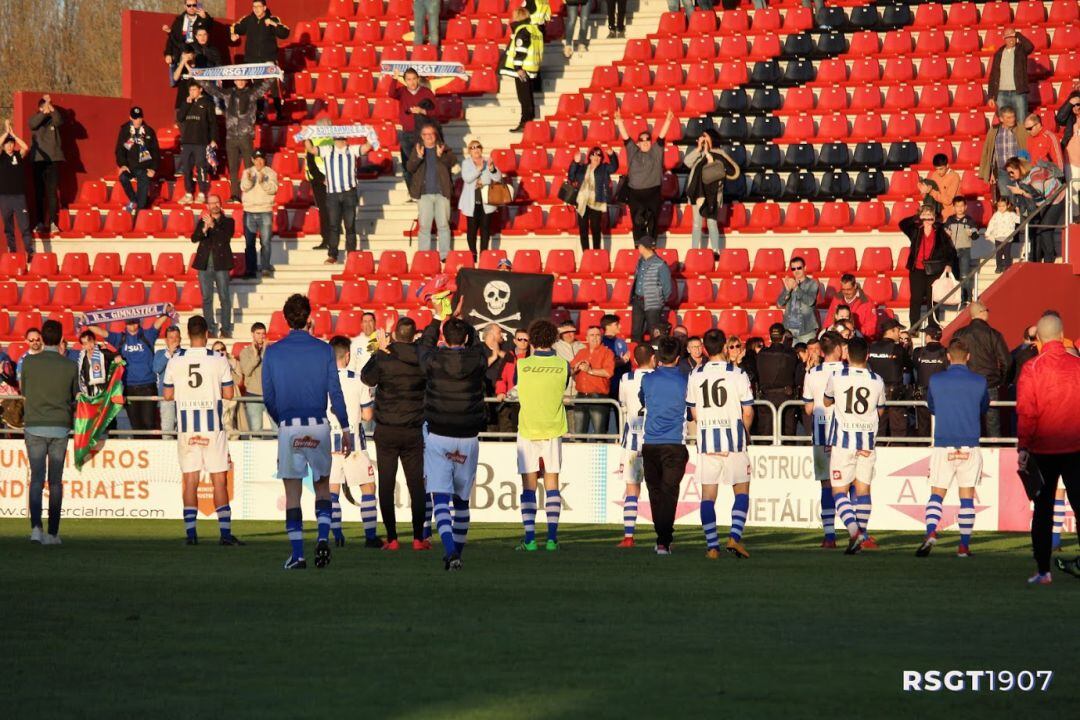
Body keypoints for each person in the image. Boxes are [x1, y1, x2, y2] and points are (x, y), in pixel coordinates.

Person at [263, 294, 351, 569]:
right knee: (323, 487)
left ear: (285, 318)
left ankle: (298, 554)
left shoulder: (274, 352)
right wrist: (346, 427)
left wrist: (283, 421)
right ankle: (323, 537)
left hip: (290, 426)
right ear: (309, 317)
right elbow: (335, 393)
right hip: (319, 425)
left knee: (293, 493)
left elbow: (269, 397)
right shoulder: (324, 350)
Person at [416, 304, 488, 571]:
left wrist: (438, 319)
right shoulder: (477, 359)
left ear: (444, 338)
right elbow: (478, 344)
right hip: (468, 436)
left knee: (441, 499)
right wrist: (462, 322)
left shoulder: (433, 360)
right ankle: (456, 552)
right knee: (462, 500)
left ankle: (450, 552)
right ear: (467, 338)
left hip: (439, 435)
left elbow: (424, 344)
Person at [162, 315, 242, 546]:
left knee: (190, 480)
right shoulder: (218, 359)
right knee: (219, 479)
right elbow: (228, 394)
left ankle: (191, 534)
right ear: (207, 334)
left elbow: (167, 395)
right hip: (212, 427)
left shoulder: (176, 360)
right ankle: (225, 534)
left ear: (188, 335)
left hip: (187, 428)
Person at [1016, 313, 1080, 585]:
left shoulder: (1032, 368)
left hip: (1043, 448)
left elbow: (1027, 413)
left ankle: (1043, 570)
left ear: (1039, 338)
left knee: (1043, 511)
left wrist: (1024, 446)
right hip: (1076, 447)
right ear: (1062, 334)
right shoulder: (1078, 366)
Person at [914, 338, 989, 558]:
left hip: (943, 442)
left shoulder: (936, 380)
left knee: (937, 493)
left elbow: (932, 407)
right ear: (968, 357)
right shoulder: (979, 381)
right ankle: (964, 546)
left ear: (948, 356)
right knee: (967, 497)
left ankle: (931, 532)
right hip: (970, 443)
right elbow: (983, 407)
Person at [363, 318, 430, 550]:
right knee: (416, 486)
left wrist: (379, 352)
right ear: (413, 336)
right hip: (412, 430)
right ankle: (418, 538)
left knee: (386, 485)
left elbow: (366, 377)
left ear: (394, 334)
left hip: (387, 430)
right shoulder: (422, 358)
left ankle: (392, 539)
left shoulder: (385, 355)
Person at [687, 329, 755, 559]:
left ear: (705, 348)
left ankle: (712, 547)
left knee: (708, 495)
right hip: (734, 441)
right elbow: (748, 411)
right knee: (742, 491)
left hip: (707, 442)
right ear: (725, 346)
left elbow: (694, 412)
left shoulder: (695, 374)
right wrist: (744, 434)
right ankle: (734, 538)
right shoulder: (737, 373)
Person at [823, 337, 886, 555]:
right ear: (867, 356)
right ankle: (863, 534)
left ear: (847, 356)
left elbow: (826, 401)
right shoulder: (877, 380)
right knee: (863, 490)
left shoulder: (837, 376)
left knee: (839, 491)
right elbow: (880, 410)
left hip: (843, 442)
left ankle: (854, 532)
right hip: (867, 442)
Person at [513, 320, 570, 552]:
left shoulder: (522, 366)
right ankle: (552, 539)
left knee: (528, 485)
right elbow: (563, 386)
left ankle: (530, 539)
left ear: (533, 340)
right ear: (554, 338)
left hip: (528, 429)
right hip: (553, 428)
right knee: (552, 483)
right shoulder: (563, 365)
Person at [21, 320, 78, 545]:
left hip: (34, 425)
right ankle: (53, 533)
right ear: (61, 337)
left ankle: (36, 528)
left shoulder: (29, 363)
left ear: (42, 338)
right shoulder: (69, 366)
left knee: (36, 480)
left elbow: (24, 390)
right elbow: (73, 395)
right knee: (55, 482)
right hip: (60, 426)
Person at [326, 336, 378, 548]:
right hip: (354, 444)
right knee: (368, 487)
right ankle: (370, 536)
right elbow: (367, 415)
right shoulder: (358, 379)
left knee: (332, 491)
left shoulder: (321, 380)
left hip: (329, 443)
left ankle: (337, 534)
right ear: (347, 356)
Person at [639, 337, 689, 555]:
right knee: (669, 493)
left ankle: (661, 537)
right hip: (674, 443)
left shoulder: (648, 380)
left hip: (650, 443)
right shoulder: (684, 379)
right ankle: (663, 539)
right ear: (678, 359)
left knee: (655, 492)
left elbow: (643, 400)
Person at [86, 309, 173, 434]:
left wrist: (166, 311)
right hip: (129, 387)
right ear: (125, 324)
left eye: (134, 322)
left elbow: (157, 323)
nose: (132, 325)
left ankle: (149, 451)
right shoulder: (119, 338)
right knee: (136, 426)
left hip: (148, 386)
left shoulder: (147, 335)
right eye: (129, 323)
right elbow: (102, 332)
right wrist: (88, 321)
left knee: (148, 425)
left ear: (139, 322)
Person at [801, 331, 847, 548]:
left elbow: (809, 409)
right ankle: (858, 531)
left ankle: (829, 536)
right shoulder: (849, 371)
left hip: (821, 432)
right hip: (846, 431)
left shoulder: (811, 373)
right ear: (838, 349)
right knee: (851, 482)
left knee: (826, 484)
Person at [197, 77, 273, 199]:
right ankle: (235, 195)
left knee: (249, 167)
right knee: (233, 168)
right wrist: (199, 78)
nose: (240, 82)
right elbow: (212, 90)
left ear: (246, 81)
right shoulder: (228, 93)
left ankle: (250, 193)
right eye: (238, 80)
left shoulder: (251, 93)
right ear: (234, 81)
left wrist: (273, 75)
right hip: (231, 137)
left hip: (246, 136)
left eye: (243, 80)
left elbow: (264, 87)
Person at [953, 301, 1011, 438]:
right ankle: (993, 454)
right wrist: (1002, 381)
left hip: (966, 384)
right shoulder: (993, 334)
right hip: (989, 385)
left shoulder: (959, 334)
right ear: (981, 312)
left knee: (968, 423)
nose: (988, 313)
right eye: (987, 310)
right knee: (993, 425)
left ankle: (968, 454)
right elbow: (1007, 362)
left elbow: (951, 358)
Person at [310, 136, 371, 264]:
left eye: (342, 138)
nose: (340, 141)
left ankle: (351, 254)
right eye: (337, 138)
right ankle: (333, 254)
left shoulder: (352, 149)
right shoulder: (327, 150)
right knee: (334, 225)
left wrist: (370, 134)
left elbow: (366, 147)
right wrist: (306, 136)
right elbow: (311, 149)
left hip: (349, 192)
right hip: (333, 193)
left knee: (350, 225)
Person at [615, 344, 654, 548]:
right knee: (658, 490)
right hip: (655, 439)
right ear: (653, 358)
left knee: (631, 489)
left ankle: (629, 536)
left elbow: (622, 404)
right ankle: (662, 538)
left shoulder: (626, 379)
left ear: (635, 360)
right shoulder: (658, 378)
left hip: (632, 440)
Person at [615, 109, 674, 241]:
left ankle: (652, 250)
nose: (645, 141)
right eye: (642, 140)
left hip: (653, 192)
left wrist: (668, 121)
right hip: (635, 194)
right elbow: (625, 137)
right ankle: (638, 249)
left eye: (647, 139)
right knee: (637, 222)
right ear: (639, 143)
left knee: (652, 222)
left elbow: (661, 137)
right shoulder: (633, 151)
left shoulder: (656, 152)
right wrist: (619, 121)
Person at [898, 206, 958, 329]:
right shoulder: (915, 229)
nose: (927, 218)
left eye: (930, 215)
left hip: (934, 270)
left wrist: (949, 264)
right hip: (917, 269)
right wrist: (917, 218)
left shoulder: (940, 230)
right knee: (916, 298)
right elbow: (902, 224)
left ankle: (933, 326)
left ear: (934, 217)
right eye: (925, 215)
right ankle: (914, 326)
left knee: (932, 299)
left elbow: (950, 250)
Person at [229, 1, 290, 116]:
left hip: (269, 60)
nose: (256, 9)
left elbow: (285, 33)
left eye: (259, 6)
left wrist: (272, 23)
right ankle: (260, 112)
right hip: (253, 61)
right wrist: (233, 34)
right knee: (257, 88)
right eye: (254, 7)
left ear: (265, 7)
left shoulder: (273, 19)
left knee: (273, 87)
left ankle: (279, 112)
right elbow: (236, 27)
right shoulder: (248, 20)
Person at [684, 130, 741, 251]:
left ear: (712, 138)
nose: (703, 138)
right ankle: (694, 250)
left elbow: (730, 171)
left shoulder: (719, 154)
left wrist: (710, 157)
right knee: (696, 224)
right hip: (697, 194)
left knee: (711, 223)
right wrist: (699, 149)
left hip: (712, 195)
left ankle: (716, 251)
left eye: (705, 136)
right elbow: (687, 162)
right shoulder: (699, 155)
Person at [405, 126, 456, 259]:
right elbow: (410, 167)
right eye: (425, 134)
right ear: (421, 136)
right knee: (424, 227)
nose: (428, 136)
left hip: (442, 193)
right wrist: (418, 156)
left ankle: (445, 256)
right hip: (424, 194)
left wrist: (440, 156)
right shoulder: (417, 149)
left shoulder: (444, 148)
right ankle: (424, 256)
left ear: (435, 135)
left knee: (444, 226)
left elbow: (452, 162)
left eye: (431, 134)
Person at [1004, 156, 1065, 263]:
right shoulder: (1022, 180)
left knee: (1045, 230)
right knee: (1036, 229)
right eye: (1008, 173)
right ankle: (1036, 258)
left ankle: (1049, 260)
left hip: (1056, 199)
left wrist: (1021, 192)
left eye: (1011, 172)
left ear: (1019, 168)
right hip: (1045, 202)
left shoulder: (1035, 173)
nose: (1010, 176)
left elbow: (1038, 196)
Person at [191, 194, 236, 337]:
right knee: (206, 298)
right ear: (207, 206)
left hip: (221, 264)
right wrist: (204, 229)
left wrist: (213, 225)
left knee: (224, 297)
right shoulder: (202, 221)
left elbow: (225, 237)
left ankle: (226, 329)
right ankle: (209, 329)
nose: (214, 205)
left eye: (216, 202)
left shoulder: (228, 221)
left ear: (220, 204)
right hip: (204, 265)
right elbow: (194, 238)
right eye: (211, 203)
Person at [388, 68, 438, 190]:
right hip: (406, 133)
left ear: (418, 79)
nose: (412, 82)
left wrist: (422, 111)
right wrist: (394, 79)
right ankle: (413, 192)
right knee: (407, 165)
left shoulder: (426, 92)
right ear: (405, 81)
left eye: (414, 79)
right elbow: (391, 94)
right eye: (409, 79)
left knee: (423, 163)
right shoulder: (402, 91)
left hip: (423, 134)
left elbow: (436, 111)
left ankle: (426, 188)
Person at [753, 324, 801, 441]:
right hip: (786, 397)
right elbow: (796, 377)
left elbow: (757, 375)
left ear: (770, 336)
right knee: (787, 436)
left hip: (766, 397)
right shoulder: (790, 354)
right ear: (783, 336)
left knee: (765, 436)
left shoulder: (761, 354)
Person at [567, 146, 618, 251]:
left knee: (595, 228)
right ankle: (585, 253)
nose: (597, 157)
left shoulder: (604, 168)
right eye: (594, 154)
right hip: (582, 202)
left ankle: (596, 252)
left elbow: (614, 167)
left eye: (599, 155)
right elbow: (571, 176)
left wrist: (612, 155)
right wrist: (575, 163)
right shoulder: (582, 168)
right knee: (583, 229)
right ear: (590, 156)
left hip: (596, 202)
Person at [458, 138, 502, 261]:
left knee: (485, 229)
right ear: (469, 152)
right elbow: (467, 178)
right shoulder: (466, 163)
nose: (476, 149)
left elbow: (498, 177)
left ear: (481, 149)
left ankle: (484, 254)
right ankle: (473, 254)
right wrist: (478, 169)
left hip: (486, 201)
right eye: (473, 147)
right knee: (472, 229)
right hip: (472, 201)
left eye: (477, 147)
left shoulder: (488, 161)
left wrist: (492, 168)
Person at [502, 7, 544, 133]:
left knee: (524, 97)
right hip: (532, 67)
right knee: (528, 96)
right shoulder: (535, 30)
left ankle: (525, 122)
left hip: (523, 69)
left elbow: (521, 50)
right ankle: (528, 121)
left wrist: (518, 68)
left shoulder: (523, 30)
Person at [867, 317, 910, 441]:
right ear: (891, 331)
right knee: (898, 430)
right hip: (895, 392)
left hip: (875, 391)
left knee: (878, 428)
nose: (899, 334)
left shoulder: (871, 347)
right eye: (897, 331)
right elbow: (909, 365)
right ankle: (899, 457)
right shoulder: (898, 349)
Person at [176, 82, 218, 204]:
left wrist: (213, 139)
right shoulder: (187, 103)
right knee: (187, 169)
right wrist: (186, 104)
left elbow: (213, 122)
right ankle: (188, 193)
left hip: (201, 142)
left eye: (194, 89)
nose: (192, 92)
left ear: (200, 90)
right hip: (187, 142)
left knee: (201, 168)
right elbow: (180, 118)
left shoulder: (207, 104)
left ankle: (201, 193)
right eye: (190, 90)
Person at [113, 107, 160, 214]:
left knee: (141, 207)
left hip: (144, 167)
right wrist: (123, 165)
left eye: (139, 118)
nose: (137, 120)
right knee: (123, 177)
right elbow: (120, 150)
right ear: (130, 118)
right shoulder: (125, 130)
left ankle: (137, 206)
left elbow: (155, 152)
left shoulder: (149, 131)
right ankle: (133, 200)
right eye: (135, 118)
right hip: (130, 166)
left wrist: (153, 168)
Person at [28, 95, 64, 235]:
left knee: (52, 193)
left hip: (53, 160)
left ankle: (53, 223)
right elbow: (33, 124)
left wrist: (51, 107)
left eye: (50, 106)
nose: (48, 109)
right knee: (39, 193)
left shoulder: (53, 120)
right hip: (38, 160)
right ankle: (40, 222)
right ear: (40, 108)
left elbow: (59, 121)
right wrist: (44, 110)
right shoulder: (35, 118)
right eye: (45, 106)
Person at [239, 150, 277, 277]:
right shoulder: (247, 172)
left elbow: (273, 190)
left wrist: (262, 182)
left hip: (265, 211)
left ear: (265, 160)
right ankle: (251, 269)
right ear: (252, 160)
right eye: (257, 159)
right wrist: (250, 181)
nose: (259, 162)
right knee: (249, 243)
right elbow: (244, 187)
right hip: (249, 211)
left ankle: (265, 267)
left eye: (261, 159)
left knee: (265, 242)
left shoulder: (271, 173)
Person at [571, 326, 615, 437]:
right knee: (579, 435)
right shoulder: (581, 352)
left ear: (601, 337)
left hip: (598, 398)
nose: (594, 338)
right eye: (592, 335)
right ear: (586, 338)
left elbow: (608, 372)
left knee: (599, 435)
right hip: (580, 396)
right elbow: (571, 371)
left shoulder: (607, 352)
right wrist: (575, 368)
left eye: (597, 335)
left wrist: (590, 371)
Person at [978, 106, 1028, 200]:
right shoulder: (994, 131)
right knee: (1007, 198)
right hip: (1002, 172)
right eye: (1008, 118)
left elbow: (1025, 147)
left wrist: (1024, 168)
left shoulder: (1020, 129)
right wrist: (992, 172)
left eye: (1013, 117)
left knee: (1022, 197)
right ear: (1001, 119)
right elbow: (991, 152)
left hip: (1019, 170)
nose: (1012, 120)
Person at [630, 236, 673, 342]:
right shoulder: (640, 261)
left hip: (653, 303)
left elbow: (667, 287)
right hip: (638, 300)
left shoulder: (660, 264)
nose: (638, 247)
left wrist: (659, 301)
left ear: (644, 247)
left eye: (639, 245)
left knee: (654, 333)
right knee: (636, 332)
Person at [0, 121, 33, 258]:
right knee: (8, 228)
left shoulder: (18, 155)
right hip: (4, 197)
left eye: (12, 143)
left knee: (24, 226)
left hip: (19, 197)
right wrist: (6, 133)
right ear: (3, 145)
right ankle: (12, 252)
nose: (10, 145)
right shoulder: (1, 157)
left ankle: (29, 251)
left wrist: (13, 134)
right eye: (7, 143)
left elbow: (26, 147)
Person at [987, 28, 1034, 123]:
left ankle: (1020, 138)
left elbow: (1030, 47)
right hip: (1001, 94)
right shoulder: (998, 53)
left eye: (1013, 36)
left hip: (1018, 93)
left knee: (1021, 121)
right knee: (1004, 122)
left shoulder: (1021, 50)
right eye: (1008, 37)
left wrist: (1018, 34)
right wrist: (991, 96)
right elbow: (993, 75)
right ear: (1004, 38)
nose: (1011, 39)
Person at [942, 196, 980, 305]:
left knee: (964, 274)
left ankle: (967, 297)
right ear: (953, 207)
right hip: (952, 250)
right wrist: (946, 233)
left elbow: (976, 236)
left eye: (962, 206)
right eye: (957, 206)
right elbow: (943, 233)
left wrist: (971, 233)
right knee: (954, 273)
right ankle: (956, 296)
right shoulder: (950, 219)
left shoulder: (969, 220)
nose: (959, 208)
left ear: (966, 207)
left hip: (964, 250)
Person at [910, 325, 947, 437]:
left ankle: (923, 447)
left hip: (923, 393)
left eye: (926, 335)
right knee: (940, 425)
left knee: (923, 425)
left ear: (929, 337)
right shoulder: (946, 352)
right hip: (942, 394)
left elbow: (915, 367)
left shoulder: (918, 352)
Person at [163, 1, 213, 79]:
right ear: (185, 6)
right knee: (175, 80)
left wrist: (205, 18)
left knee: (198, 78)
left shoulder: (202, 17)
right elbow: (172, 37)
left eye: (194, 5)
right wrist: (168, 53)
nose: (191, 7)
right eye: (189, 5)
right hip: (181, 50)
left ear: (197, 5)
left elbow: (210, 27)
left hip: (197, 50)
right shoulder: (179, 20)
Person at [777, 256, 820, 343]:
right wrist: (788, 290)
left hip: (806, 329)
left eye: (799, 268)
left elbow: (810, 301)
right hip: (789, 330)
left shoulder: (812, 283)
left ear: (805, 268)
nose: (796, 271)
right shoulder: (790, 283)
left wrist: (796, 288)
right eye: (793, 269)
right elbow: (779, 304)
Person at [823, 274, 879, 340]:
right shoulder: (837, 298)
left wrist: (855, 332)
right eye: (843, 289)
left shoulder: (866, 301)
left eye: (849, 289)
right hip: (837, 337)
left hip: (858, 338)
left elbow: (871, 326)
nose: (846, 292)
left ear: (855, 286)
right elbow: (829, 320)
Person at [237, 322, 269, 434]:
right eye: (258, 333)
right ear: (252, 334)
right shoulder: (245, 352)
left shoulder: (271, 351)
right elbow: (246, 371)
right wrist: (256, 356)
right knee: (256, 431)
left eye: (263, 333)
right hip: (253, 395)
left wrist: (265, 351)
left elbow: (271, 369)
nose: (261, 336)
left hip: (270, 395)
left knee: (278, 430)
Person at [153, 326, 184, 437]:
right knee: (167, 432)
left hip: (183, 398)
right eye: (171, 337)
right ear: (166, 340)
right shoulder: (160, 353)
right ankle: (168, 454)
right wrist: (169, 353)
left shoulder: (186, 354)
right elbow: (156, 368)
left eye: (176, 337)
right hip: (166, 398)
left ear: (180, 339)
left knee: (183, 432)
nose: (174, 340)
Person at [916, 153, 960, 218]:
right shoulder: (934, 174)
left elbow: (948, 200)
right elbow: (927, 191)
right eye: (936, 169)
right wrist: (922, 188)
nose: (939, 172)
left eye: (941, 169)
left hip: (949, 216)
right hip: (935, 213)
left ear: (947, 165)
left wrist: (931, 191)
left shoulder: (954, 176)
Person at [76, 329, 115, 397]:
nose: (89, 345)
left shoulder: (103, 353)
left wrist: (117, 357)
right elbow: (81, 376)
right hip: (88, 393)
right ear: (83, 346)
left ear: (94, 341)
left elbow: (118, 357)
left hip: (103, 392)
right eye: (85, 343)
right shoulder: (82, 358)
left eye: (90, 342)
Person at [986, 197, 1021, 271]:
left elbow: (1018, 220)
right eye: (999, 206)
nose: (1001, 208)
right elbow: (991, 224)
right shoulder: (996, 215)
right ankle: (999, 267)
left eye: (1003, 206)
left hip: (1007, 238)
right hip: (998, 237)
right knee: (998, 254)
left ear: (1008, 205)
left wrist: (1018, 211)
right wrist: (988, 232)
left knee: (1007, 254)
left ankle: (1007, 267)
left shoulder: (1011, 214)